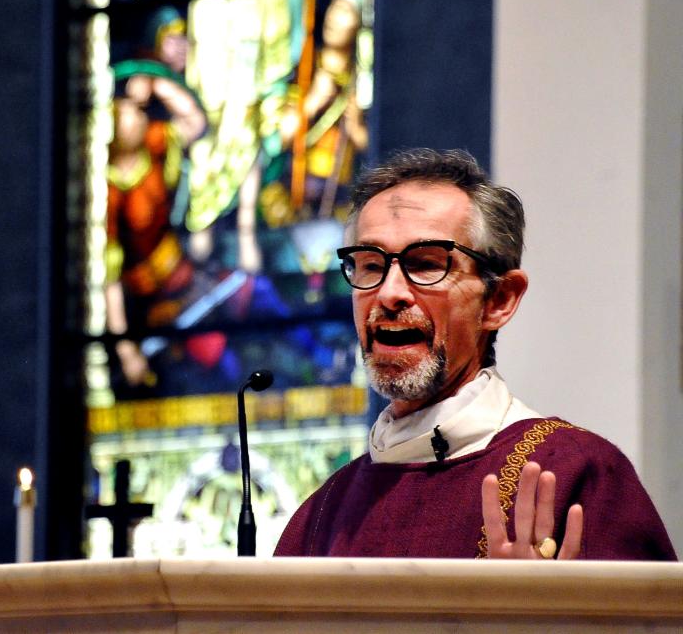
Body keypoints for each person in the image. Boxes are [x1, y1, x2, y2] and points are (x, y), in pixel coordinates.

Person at [274, 148, 676, 560]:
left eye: (426, 264)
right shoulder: (322, 513)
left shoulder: (576, 474)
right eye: (371, 266)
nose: (390, 293)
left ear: (499, 299)